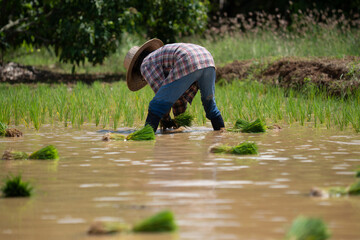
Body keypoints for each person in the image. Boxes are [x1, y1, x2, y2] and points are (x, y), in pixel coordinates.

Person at [123, 38, 225, 133]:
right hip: (207, 58)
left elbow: (162, 96)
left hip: (188, 59)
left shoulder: (146, 63)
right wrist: (178, 122)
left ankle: (146, 139)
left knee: (155, 106)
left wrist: (166, 121)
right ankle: (221, 134)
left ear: (136, 68)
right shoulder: (159, 56)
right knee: (210, 105)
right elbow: (175, 95)